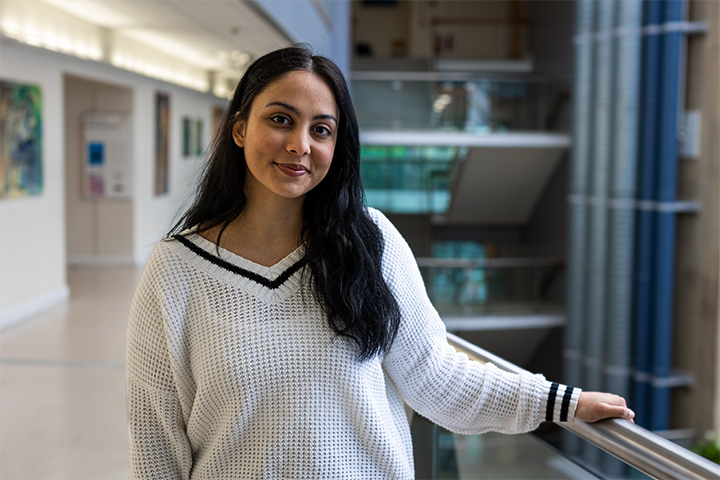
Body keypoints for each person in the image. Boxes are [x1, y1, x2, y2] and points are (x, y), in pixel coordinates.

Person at [126, 45, 634, 479]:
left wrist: (561, 403)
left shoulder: (372, 242)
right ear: (239, 129)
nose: (300, 145)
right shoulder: (176, 270)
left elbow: (435, 378)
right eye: (280, 119)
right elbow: (155, 446)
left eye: (320, 130)